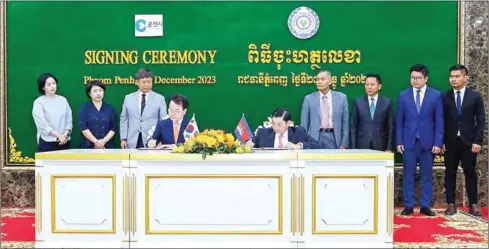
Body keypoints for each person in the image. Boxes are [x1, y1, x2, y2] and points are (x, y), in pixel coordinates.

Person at [396, 64, 444, 216]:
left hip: (428, 143)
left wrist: (438, 142)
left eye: (418, 78)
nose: (415, 81)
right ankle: (409, 205)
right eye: (412, 78)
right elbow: (399, 121)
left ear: (426, 78)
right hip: (409, 142)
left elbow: (439, 121)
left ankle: (425, 205)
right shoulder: (403, 95)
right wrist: (399, 141)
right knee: (408, 175)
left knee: (426, 175)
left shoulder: (435, 95)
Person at [442, 65, 485, 216]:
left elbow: (480, 120)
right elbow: (441, 121)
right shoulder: (445, 97)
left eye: (457, 76)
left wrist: (478, 141)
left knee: (470, 173)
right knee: (450, 173)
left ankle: (473, 204)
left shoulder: (475, 96)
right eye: (451, 76)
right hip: (450, 142)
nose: (453, 79)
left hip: (469, 142)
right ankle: (451, 204)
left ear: (465, 77)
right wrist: (441, 141)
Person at [300, 70, 349, 149]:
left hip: (334, 137)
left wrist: (344, 143)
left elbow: (345, 122)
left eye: (322, 79)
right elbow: (304, 124)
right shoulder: (308, 99)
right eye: (317, 79)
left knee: (332, 161)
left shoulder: (342, 98)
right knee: (313, 161)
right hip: (314, 138)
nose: (319, 82)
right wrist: (304, 142)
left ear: (330, 81)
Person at [120, 68, 167, 149]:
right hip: (132, 139)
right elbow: (124, 119)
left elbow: (163, 121)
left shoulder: (160, 98)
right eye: (144, 82)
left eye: (149, 82)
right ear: (137, 82)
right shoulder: (128, 98)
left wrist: (161, 139)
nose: (146, 85)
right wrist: (123, 139)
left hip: (152, 140)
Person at [350, 73, 394, 151]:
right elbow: (353, 127)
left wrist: (389, 148)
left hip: (381, 144)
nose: (369, 87)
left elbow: (390, 127)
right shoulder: (358, 102)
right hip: (361, 144)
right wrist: (353, 148)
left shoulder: (387, 102)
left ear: (379, 86)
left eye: (372, 84)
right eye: (367, 84)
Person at [32, 73, 73, 152]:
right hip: (47, 142)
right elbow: (42, 124)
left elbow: (69, 118)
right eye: (49, 84)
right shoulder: (39, 102)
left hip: (64, 141)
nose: (52, 86)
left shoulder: (63, 100)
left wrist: (65, 134)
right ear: (43, 87)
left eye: (54, 83)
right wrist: (58, 135)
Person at [249, 108, 320, 149]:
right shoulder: (263, 133)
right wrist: (248, 144)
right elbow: (249, 142)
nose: (275, 127)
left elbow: (316, 145)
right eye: (273, 123)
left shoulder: (298, 132)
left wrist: (298, 146)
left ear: (288, 123)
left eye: (279, 124)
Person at [78, 80, 117, 149]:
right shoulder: (84, 109)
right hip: (89, 147)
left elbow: (113, 128)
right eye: (95, 91)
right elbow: (83, 128)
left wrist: (103, 141)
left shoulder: (110, 108)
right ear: (89, 93)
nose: (98, 93)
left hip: (107, 146)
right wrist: (96, 142)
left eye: (100, 90)